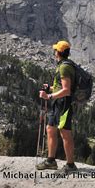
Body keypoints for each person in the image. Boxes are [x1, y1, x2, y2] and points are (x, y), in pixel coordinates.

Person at [35, 40, 78, 174]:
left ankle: (70, 165)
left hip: (63, 103)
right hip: (58, 102)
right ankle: (51, 160)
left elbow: (66, 90)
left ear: (58, 52)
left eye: (55, 50)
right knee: (50, 128)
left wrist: (49, 97)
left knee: (65, 132)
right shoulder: (63, 65)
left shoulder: (64, 67)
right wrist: (50, 88)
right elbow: (60, 86)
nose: (54, 52)